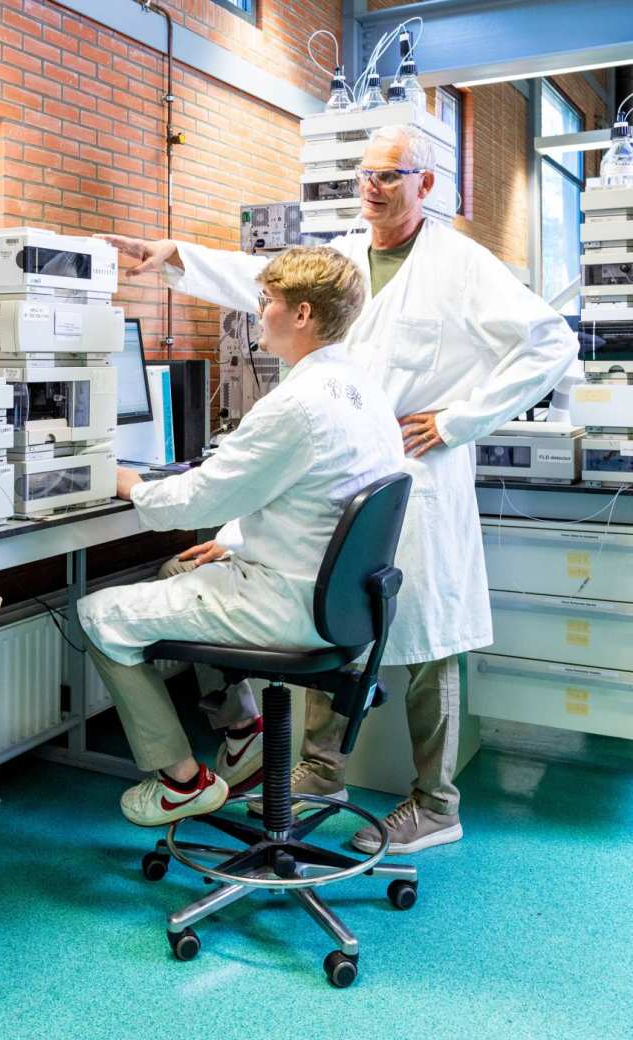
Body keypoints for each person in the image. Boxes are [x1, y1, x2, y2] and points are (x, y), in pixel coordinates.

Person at [101, 123, 581, 853]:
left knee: (427, 644)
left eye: (390, 175)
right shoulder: (345, 259)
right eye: (364, 174)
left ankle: (435, 802)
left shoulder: (460, 264)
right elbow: (271, 282)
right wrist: (177, 260)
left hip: (419, 467)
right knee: (335, 611)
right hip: (345, 461)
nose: (372, 187)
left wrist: (458, 420)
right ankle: (320, 772)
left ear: (427, 184)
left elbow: (551, 341)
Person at [77, 246, 405, 827]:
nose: (259, 312)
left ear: (301, 314)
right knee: (177, 569)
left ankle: (180, 782)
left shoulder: (296, 406)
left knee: (99, 614)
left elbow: (199, 497)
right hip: (343, 601)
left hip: (289, 604)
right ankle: (242, 733)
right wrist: (231, 539)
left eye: (267, 302)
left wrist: (126, 483)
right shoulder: (360, 390)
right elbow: (313, 496)